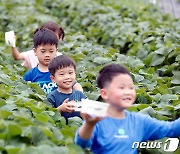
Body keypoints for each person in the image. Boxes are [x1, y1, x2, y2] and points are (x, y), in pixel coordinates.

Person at [74, 64, 180, 154]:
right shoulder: (96, 119)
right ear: (104, 93)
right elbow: (81, 144)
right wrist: (89, 125)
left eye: (131, 87)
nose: (128, 92)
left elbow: (171, 129)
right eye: (121, 87)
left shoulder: (140, 121)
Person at [24, 28, 83, 94]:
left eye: (51, 51)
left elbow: (75, 85)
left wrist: (79, 96)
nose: (47, 55)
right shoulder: (30, 75)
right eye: (43, 51)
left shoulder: (62, 70)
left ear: (56, 51)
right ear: (35, 51)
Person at [47, 55, 87, 124]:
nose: (67, 77)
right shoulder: (52, 96)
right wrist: (60, 109)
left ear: (75, 74)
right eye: (62, 74)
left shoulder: (80, 94)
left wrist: (78, 105)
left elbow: (90, 110)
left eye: (70, 73)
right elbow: (49, 116)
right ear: (53, 78)